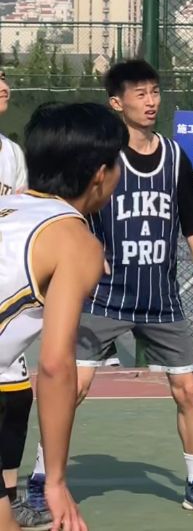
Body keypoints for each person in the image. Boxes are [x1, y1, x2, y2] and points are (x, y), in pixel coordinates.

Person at [20, 61, 193, 527]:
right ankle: (40, 478)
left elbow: (192, 221)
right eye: (140, 93)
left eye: (155, 91)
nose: (151, 101)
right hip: (105, 296)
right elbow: (73, 212)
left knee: (187, 390)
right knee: (73, 387)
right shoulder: (103, 159)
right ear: (117, 103)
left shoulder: (174, 156)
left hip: (161, 297)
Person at [0, 102, 125, 531]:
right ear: (100, 174)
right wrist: (54, 479)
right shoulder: (76, 240)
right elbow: (55, 365)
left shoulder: (10, 208)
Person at [0, 73, 33, 512]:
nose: (3, 86)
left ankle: (9, 495)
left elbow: (22, 208)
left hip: (6, 281)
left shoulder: (12, 153)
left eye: (5, 80)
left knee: (17, 399)